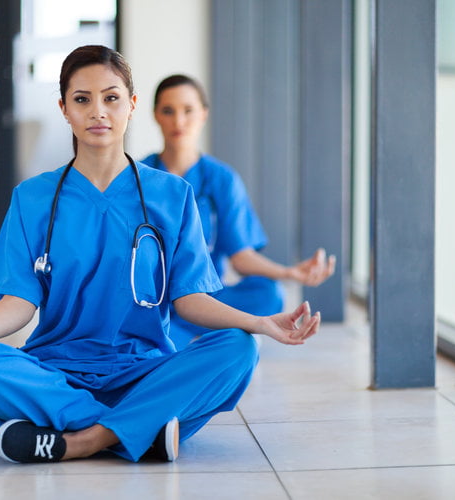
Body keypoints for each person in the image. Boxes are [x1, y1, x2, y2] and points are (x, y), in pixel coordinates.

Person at [0, 46, 320, 465]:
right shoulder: (32, 199)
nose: (98, 111)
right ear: (64, 108)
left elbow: (190, 299)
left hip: (143, 371)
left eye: (111, 97)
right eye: (82, 99)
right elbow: (19, 302)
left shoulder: (173, 196)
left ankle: (78, 440)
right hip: (58, 372)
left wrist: (261, 324)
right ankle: (142, 431)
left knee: (237, 349)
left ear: (132, 105)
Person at [142, 74, 336, 349]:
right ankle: (205, 328)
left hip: (207, 298)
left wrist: (290, 273)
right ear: (155, 116)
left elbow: (241, 257)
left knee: (268, 294)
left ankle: (192, 325)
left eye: (188, 110)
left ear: (204, 114)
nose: (179, 121)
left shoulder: (222, 178)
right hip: (154, 299)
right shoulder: (139, 178)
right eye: (168, 111)